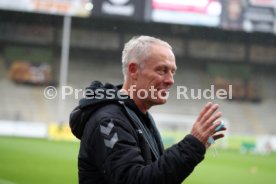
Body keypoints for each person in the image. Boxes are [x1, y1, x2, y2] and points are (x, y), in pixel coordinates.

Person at [69, 35, 226, 184]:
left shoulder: (138, 115)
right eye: (162, 70)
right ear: (133, 70)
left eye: (173, 71)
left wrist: (196, 148)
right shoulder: (109, 120)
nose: (171, 80)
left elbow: (156, 173)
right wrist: (191, 146)